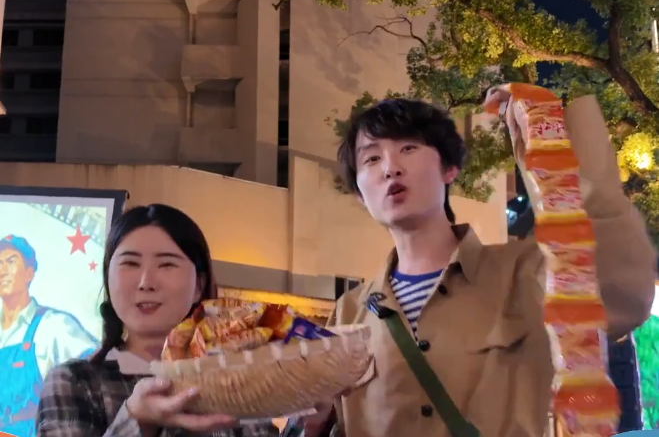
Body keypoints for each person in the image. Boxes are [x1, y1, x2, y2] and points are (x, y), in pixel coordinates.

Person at [296, 88, 657, 437]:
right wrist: (309, 426)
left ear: (449, 168)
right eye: (371, 159)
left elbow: (621, 287)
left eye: (408, 148)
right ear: (360, 194)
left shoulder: (529, 271)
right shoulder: (347, 316)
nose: (390, 168)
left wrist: (545, 143)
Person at [36, 204, 280, 437]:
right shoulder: (75, 381)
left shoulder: (235, 377)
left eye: (166, 264)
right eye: (130, 263)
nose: (146, 283)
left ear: (199, 285)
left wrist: (304, 422)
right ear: (108, 279)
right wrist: (137, 419)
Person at [0, 234, 99, 437]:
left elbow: (99, 372)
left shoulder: (54, 326)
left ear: (29, 273)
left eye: (11, 262)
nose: (2, 271)